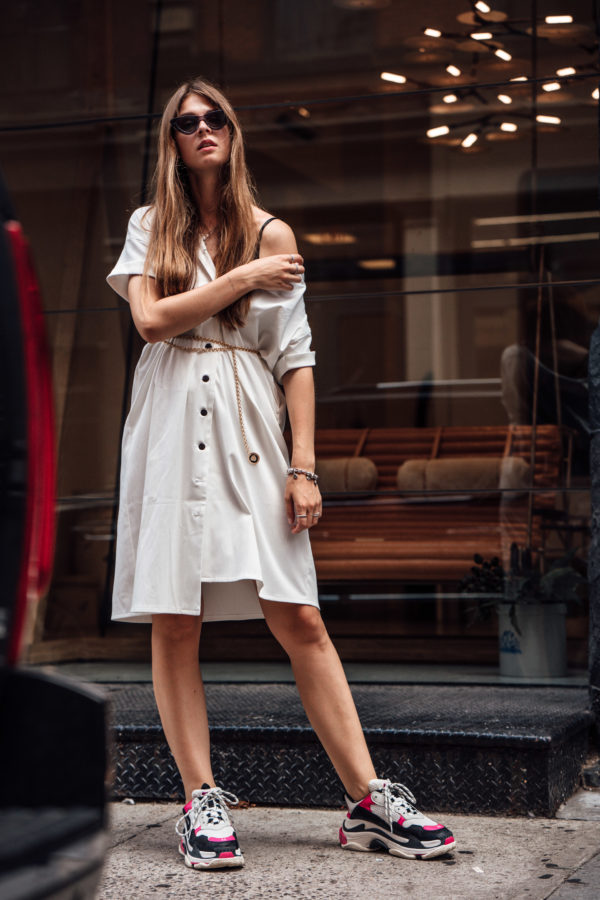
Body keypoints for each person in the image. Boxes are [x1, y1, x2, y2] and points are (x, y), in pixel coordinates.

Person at [107, 77, 455, 871]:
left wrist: (305, 470)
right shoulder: (148, 226)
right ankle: (200, 800)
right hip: (166, 425)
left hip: (249, 428)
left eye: (215, 118)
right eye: (186, 122)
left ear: (233, 131)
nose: (202, 130)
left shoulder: (272, 232)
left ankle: (369, 801)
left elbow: (295, 359)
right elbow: (152, 320)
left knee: (298, 615)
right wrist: (239, 282)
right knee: (175, 618)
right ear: (172, 142)